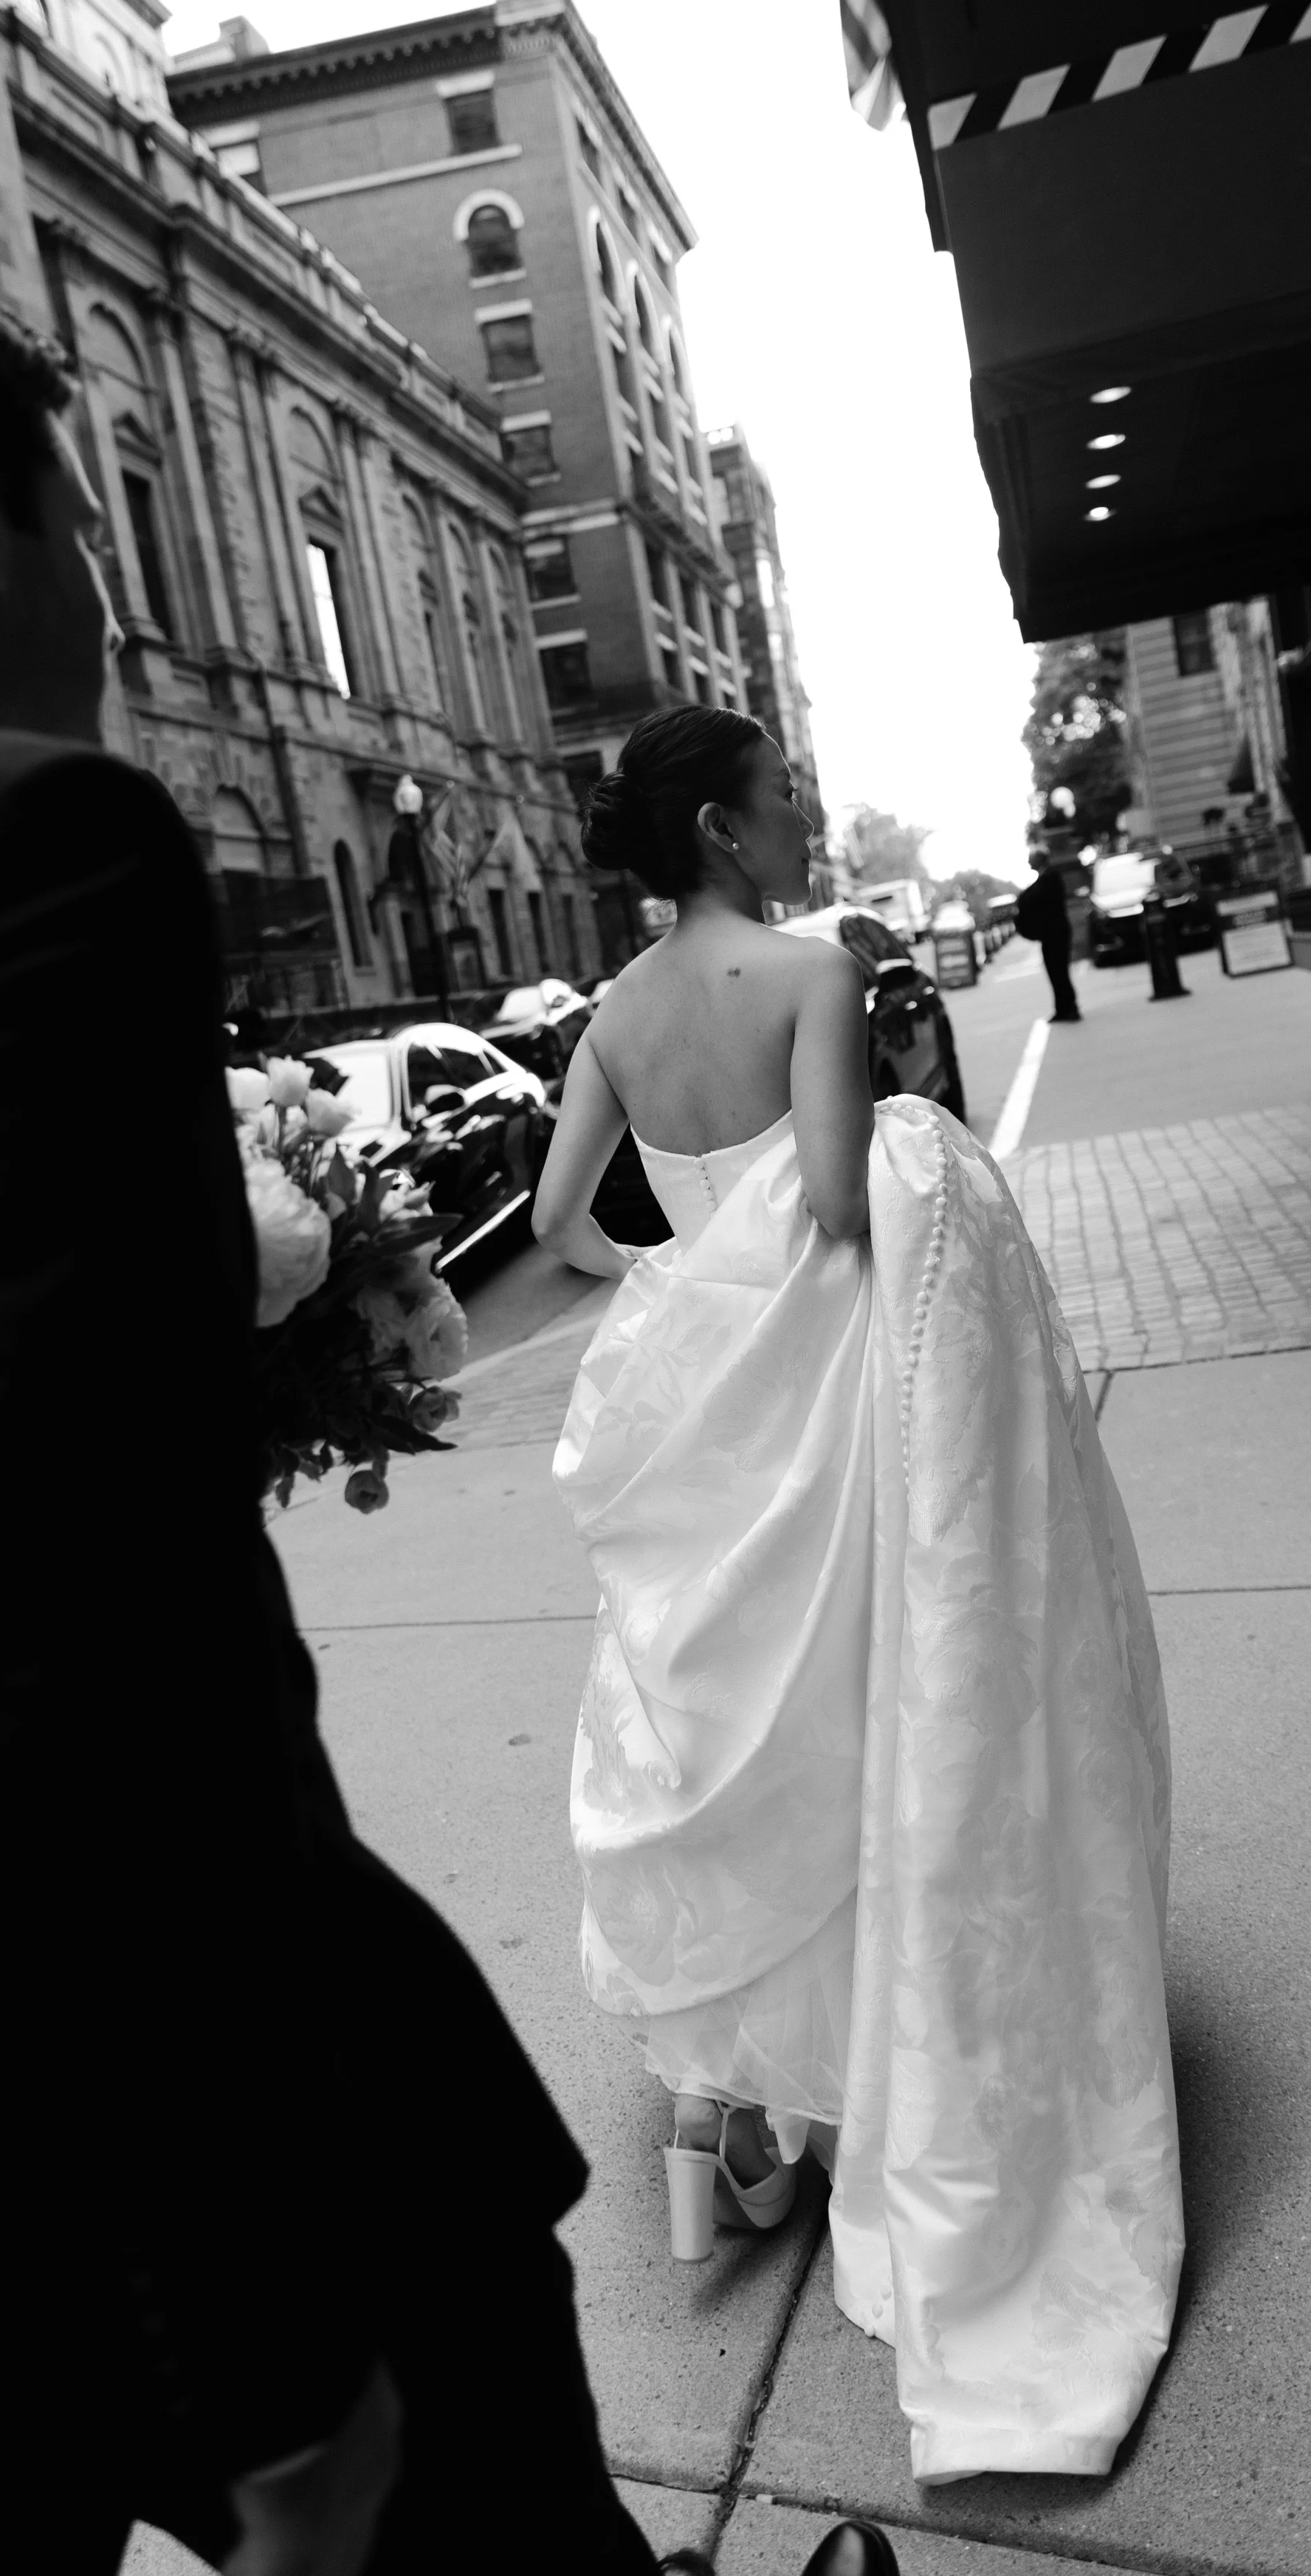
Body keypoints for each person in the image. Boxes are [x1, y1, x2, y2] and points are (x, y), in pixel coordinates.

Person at [0, 246, 676, 2576]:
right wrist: (263, 2330)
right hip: (78, 2087)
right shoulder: (10, 845)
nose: (104, 591)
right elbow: (79, 1610)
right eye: (78, 512)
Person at [532, 707, 1183, 2487]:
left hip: (706, 1406)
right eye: (786, 798)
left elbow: (559, 1222)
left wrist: (678, 1288)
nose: (804, 818)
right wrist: (902, 1108)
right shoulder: (811, 973)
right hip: (823, 1393)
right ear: (729, 833)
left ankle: (736, 2125)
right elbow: (830, 1196)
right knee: (872, 1710)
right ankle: (859, 2096)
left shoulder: (612, 1012)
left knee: (729, 1715)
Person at [1014, 847, 1082, 1021]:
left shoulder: (1051, 876)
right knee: (1055, 972)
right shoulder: (1046, 878)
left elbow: (1035, 895)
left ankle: (1070, 1009)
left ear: (1039, 860)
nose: (1029, 862)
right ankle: (1063, 1009)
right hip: (1051, 935)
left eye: (1031, 859)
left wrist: (1022, 899)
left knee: (1059, 972)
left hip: (1056, 934)